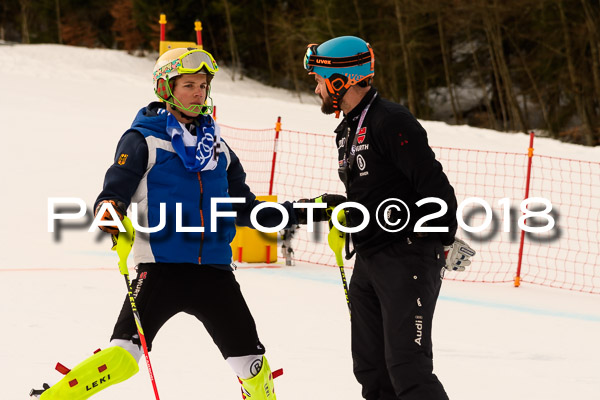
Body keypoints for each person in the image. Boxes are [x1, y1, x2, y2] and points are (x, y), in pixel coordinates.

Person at [30, 47, 300, 400]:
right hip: (160, 270)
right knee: (122, 358)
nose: (198, 93)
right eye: (188, 85)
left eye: (203, 85)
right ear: (165, 88)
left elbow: (246, 209)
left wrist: (303, 212)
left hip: (215, 273)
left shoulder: (219, 148)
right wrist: (111, 215)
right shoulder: (143, 139)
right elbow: (112, 195)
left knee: (253, 368)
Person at [302, 36, 476, 400]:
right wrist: (348, 210)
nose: (315, 87)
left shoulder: (391, 120)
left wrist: (439, 242)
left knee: (408, 369)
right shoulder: (349, 128)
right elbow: (377, 191)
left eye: (319, 78)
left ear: (341, 80)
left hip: (407, 257)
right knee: (371, 366)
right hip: (371, 258)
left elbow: (437, 192)